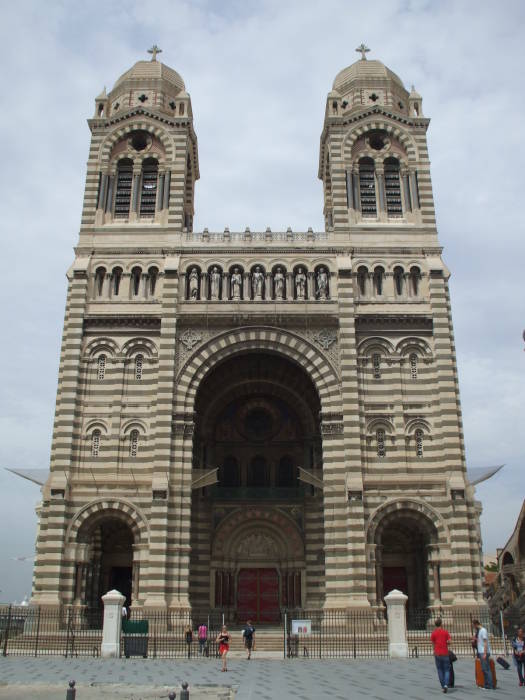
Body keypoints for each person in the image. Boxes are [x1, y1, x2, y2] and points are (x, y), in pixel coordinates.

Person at [430, 618, 451, 693]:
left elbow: (432, 643)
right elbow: (449, 642)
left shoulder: (434, 633)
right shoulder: (445, 632)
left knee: (439, 669)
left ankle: (443, 686)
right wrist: (446, 643)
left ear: (435, 625)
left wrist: (434, 650)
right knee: (447, 670)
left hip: (437, 653)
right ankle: (446, 685)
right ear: (441, 624)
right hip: (445, 653)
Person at [473, 619, 494, 689]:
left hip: (483, 652)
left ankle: (490, 685)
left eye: (474, 625)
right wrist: (475, 639)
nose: (474, 627)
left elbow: (485, 642)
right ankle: (486, 684)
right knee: (484, 669)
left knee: (486, 669)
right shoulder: (480, 631)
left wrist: (485, 653)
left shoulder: (483, 630)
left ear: (476, 624)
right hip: (481, 651)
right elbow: (481, 641)